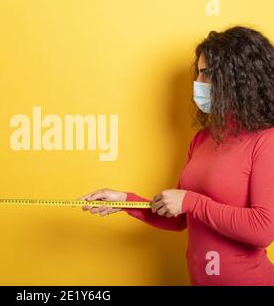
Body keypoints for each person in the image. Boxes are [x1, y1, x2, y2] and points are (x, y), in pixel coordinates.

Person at [79, 26, 274, 285]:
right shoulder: (201, 139)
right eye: (198, 73)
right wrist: (125, 201)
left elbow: (263, 230)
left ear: (237, 78)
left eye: (206, 74)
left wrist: (192, 201)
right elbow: (180, 217)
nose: (198, 83)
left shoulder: (266, 140)